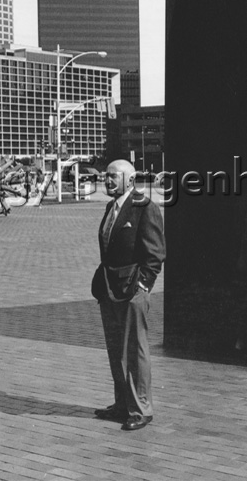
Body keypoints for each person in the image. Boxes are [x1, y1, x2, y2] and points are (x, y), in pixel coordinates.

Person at [91, 159, 166, 431]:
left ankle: (141, 409)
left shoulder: (145, 208)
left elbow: (155, 254)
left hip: (132, 291)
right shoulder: (111, 208)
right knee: (116, 350)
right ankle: (122, 404)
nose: (107, 181)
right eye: (106, 176)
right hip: (109, 290)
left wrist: (143, 287)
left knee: (135, 351)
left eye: (113, 176)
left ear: (131, 180)